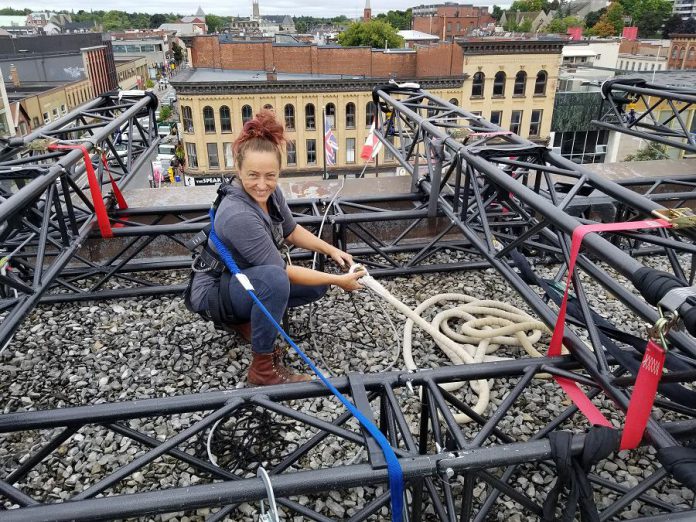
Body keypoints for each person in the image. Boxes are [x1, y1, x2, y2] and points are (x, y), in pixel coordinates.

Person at [186, 112, 363, 386]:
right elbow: (281, 272)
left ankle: (247, 320)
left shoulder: (270, 194)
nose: (261, 184)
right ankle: (262, 368)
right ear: (238, 170)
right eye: (253, 175)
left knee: (315, 286)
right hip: (214, 292)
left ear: (278, 172)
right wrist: (339, 280)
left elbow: (291, 231)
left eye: (270, 176)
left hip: (239, 280)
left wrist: (330, 250)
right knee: (276, 281)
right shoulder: (237, 214)